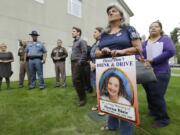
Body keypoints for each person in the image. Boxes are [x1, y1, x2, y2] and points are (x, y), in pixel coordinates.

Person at [96, 4, 142, 135]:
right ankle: (111, 125)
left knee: (123, 97)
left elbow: (139, 48)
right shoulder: (104, 34)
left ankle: (126, 131)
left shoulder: (129, 29)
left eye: (114, 11)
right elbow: (97, 51)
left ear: (121, 15)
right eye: (109, 12)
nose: (110, 13)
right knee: (110, 96)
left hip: (125, 68)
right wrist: (102, 51)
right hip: (106, 67)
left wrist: (122, 51)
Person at [141, 20, 176, 128]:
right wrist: (142, 59)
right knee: (150, 93)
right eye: (151, 27)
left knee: (157, 95)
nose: (153, 28)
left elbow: (170, 51)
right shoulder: (145, 43)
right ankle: (153, 111)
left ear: (160, 29)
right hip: (146, 72)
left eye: (156, 26)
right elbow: (139, 53)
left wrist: (153, 60)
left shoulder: (165, 39)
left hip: (161, 72)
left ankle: (163, 119)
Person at [71, 26, 87, 106]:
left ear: (78, 33)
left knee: (76, 80)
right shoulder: (74, 42)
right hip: (73, 63)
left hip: (78, 63)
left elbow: (84, 52)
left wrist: (80, 62)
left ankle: (82, 99)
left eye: (74, 31)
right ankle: (81, 96)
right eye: (72, 31)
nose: (72, 32)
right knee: (76, 81)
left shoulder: (82, 41)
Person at [90, 27, 105, 114]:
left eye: (95, 32)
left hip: (100, 66)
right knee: (96, 86)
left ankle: (104, 106)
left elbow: (103, 55)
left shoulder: (103, 42)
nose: (93, 33)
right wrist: (91, 63)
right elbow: (91, 55)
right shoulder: (95, 43)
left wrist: (96, 64)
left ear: (100, 33)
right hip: (93, 67)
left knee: (102, 86)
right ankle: (99, 103)